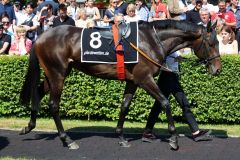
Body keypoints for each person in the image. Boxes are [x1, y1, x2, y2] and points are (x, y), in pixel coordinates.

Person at [142, 52, 212, 142]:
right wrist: (174, 60)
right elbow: (160, 63)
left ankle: (196, 132)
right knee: (159, 106)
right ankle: (147, 133)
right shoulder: (166, 49)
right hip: (166, 78)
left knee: (183, 104)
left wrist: (180, 59)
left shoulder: (175, 51)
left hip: (173, 78)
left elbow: (175, 60)